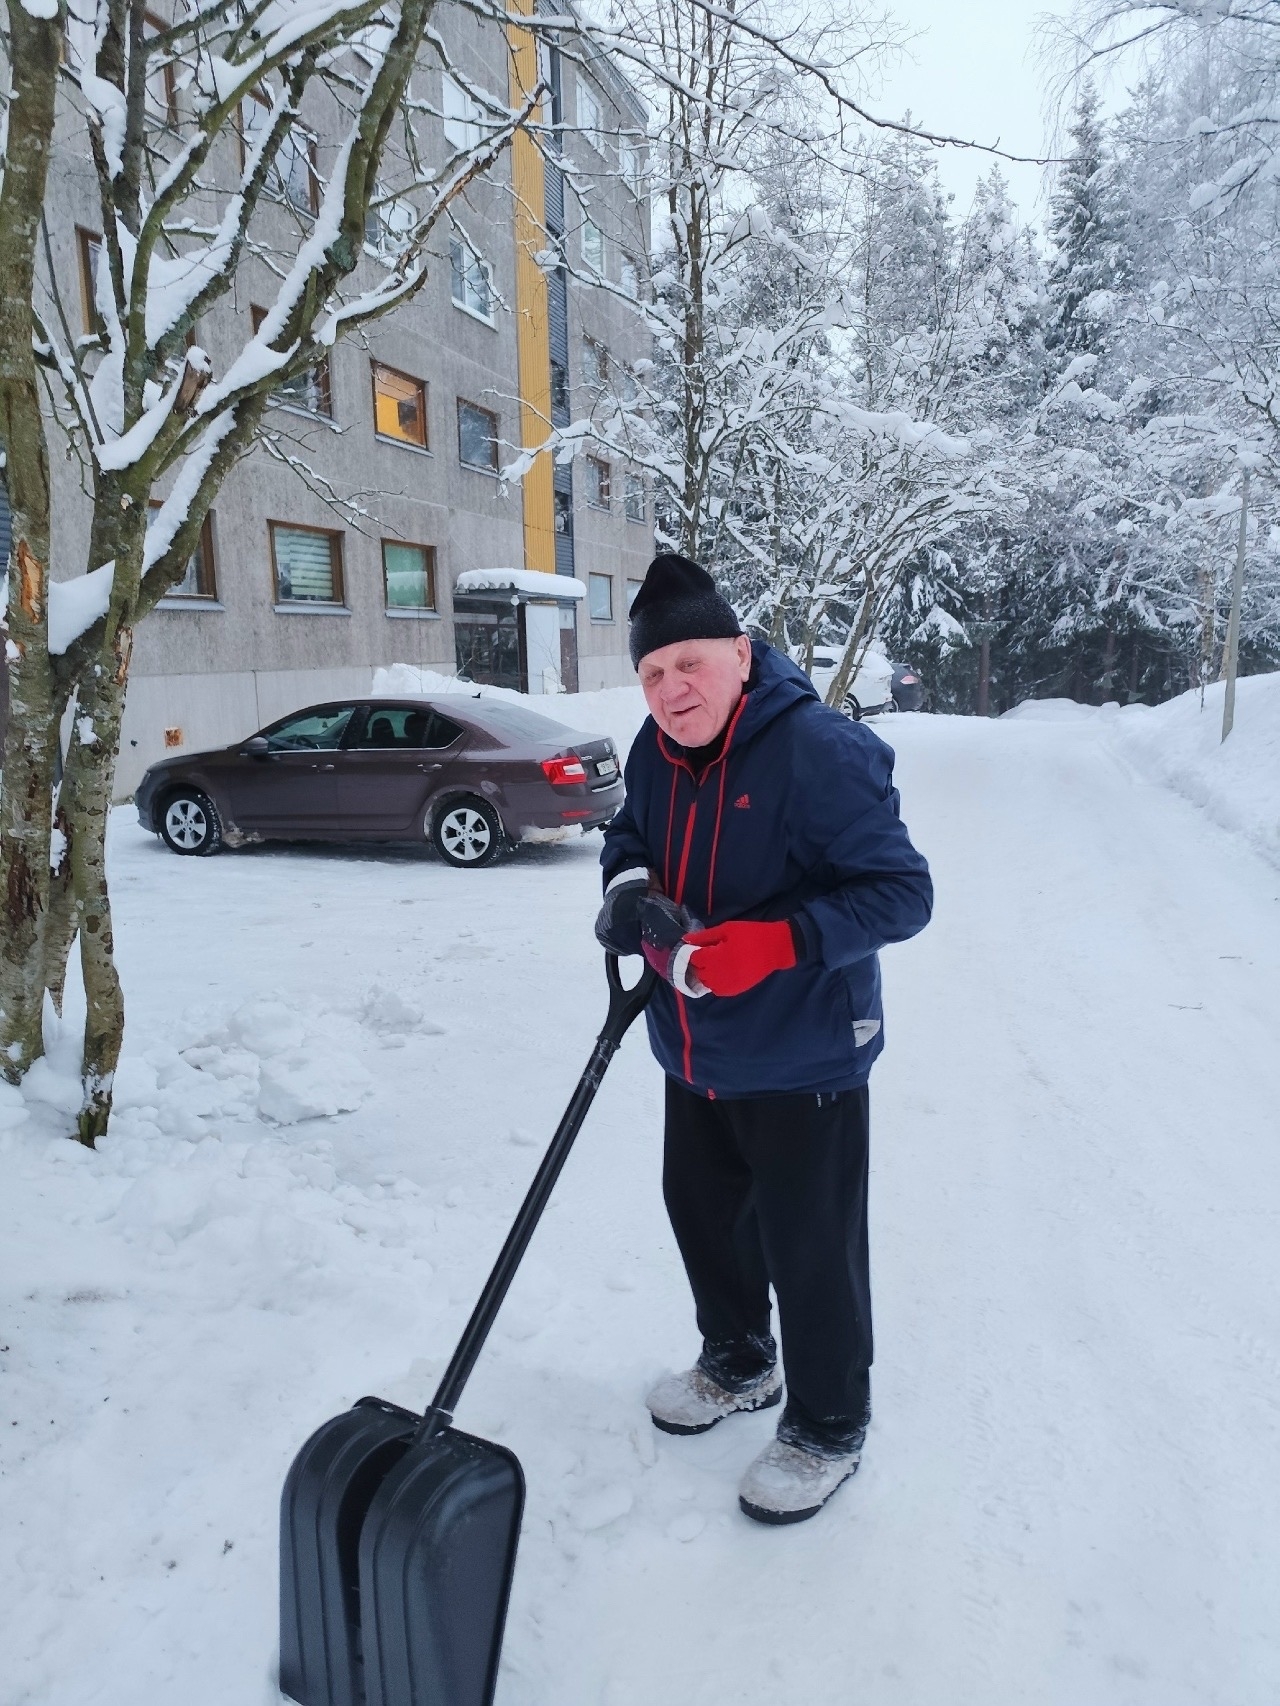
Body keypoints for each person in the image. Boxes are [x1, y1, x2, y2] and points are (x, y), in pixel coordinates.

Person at [596, 553, 933, 1525]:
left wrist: (780, 941)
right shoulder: (656, 749)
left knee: (809, 1244)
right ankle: (740, 1361)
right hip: (694, 1043)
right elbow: (629, 836)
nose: (671, 689)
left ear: (740, 654)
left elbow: (902, 892)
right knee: (704, 1214)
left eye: (689, 663)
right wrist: (628, 891)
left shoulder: (817, 750)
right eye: (652, 673)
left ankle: (828, 1423)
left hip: (802, 1054)